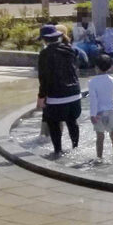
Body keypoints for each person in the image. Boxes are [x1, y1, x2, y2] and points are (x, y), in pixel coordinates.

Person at [37, 25, 83, 156]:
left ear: (44, 40)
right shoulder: (71, 50)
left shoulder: (44, 54)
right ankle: (76, 148)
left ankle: (58, 151)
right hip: (75, 94)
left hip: (56, 96)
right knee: (72, 121)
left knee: (53, 122)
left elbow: (43, 78)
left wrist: (41, 97)